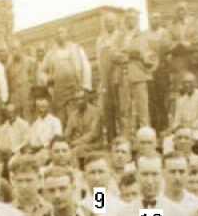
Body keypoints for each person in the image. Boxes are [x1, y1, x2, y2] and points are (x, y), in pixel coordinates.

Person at [114, 9, 153, 136]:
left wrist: (128, 52)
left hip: (138, 74)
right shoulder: (120, 37)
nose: (130, 21)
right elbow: (114, 54)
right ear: (125, 21)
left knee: (142, 107)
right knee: (125, 108)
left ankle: (145, 135)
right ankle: (126, 135)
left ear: (137, 20)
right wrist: (123, 55)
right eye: (128, 18)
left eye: (133, 18)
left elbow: (146, 54)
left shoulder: (143, 36)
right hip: (123, 75)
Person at [44, 27, 92, 125]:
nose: (59, 35)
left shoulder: (76, 48)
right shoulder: (51, 52)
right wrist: (48, 82)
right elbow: (42, 71)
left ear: (67, 35)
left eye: (61, 32)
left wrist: (86, 86)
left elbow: (86, 66)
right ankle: (64, 138)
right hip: (59, 91)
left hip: (75, 88)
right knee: (61, 118)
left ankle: (76, 137)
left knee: (75, 115)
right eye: (57, 33)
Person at [167, 2, 198, 92]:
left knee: (195, 85)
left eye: (183, 9)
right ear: (176, 13)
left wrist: (190, 43)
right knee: (181, 85)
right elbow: (168, 41)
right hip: (179, 58)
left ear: (187, 10)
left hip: (194, 57)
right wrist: (177, 43)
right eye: (179, 10)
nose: (181, 12)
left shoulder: (196, 22)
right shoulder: (172, 25)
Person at [97, 12, 124, 142]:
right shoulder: (100, 39)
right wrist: (102, 82)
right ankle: (111, 138)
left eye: (111, 21)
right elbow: (98, 60)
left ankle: (122, 138)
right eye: (107, 22)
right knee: (108, 107)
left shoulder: (121, 36)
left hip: (118, 76)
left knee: (120, 106)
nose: (109, 24)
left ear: (116, 22)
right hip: (105, 77)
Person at [145, 12, 172, 135]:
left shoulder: (164, 33)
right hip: (150, 70)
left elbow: (168, 50)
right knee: (152, 99)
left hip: (162, 70)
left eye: (157, 18)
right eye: (152, 18)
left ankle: (165, 126)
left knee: (162, 99)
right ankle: (155, 127)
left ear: (160, 20)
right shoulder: (145, 34)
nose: (155, 21)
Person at [172, 73, 198, 140]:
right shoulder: (181, 100)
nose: (187, 85)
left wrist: (185, 126)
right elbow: (177, 120)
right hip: (183, 131)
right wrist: (175, 128)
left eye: (190, 82)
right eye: (185, 83)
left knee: (187, 138)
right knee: (168, 140)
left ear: (195, 83)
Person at [65, 90, 102, 160]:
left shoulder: (95, 112)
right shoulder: (73, 115)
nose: (79, 101)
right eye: (76, 99)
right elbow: (67, 133)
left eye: (81, 98)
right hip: (75, 144)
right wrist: (67, 141)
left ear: (86, 99)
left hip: (93, 144)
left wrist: (75, 142)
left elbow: (93, 134)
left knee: (78, 150)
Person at [7, 40, 36, 123]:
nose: (14, 51)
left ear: (21, 48)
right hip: (15, 98)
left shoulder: (30, 62)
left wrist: (32, 98)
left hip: (27, 96)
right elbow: (9, 83)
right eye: (12, 49)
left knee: (28, 119)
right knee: (17, 120)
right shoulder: (9, 66)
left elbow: (34, 81)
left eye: (16, 49)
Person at [26, 97, 63, 162]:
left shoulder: (55, 121)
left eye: (43, 107)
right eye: (38, 107)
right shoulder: (35, 123)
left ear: (48, 108)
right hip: (36, 151)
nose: (41, 110)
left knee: (36, 160)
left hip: (49, 150)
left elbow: (57, 138)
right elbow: (31, 140)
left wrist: (42, 147)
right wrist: (32, 148)